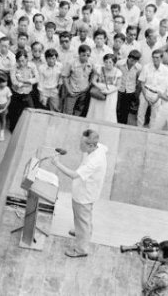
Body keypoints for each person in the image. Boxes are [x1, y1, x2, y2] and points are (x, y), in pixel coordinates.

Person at [51, 129, 108, 258]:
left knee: (83, 220)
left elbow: (74, 175)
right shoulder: (98, 148)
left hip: (84, 195)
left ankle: (81, 249)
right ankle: (81, 231)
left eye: (82, 143)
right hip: (85, 190)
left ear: (91, 145)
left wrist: (57, 163)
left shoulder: (94, 161)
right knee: (82, 218)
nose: (79, 145)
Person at [86, 54, 122, 123]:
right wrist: (100, 87)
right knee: (96, 108)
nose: (108, 64)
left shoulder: (118, 72)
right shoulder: (100, 69)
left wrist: (109, 91)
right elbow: (93, 81)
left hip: (111, 93)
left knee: (108, 110)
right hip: (99, 92)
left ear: (114, 63)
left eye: (110, 62)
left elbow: (118, 86)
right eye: (106, 62)